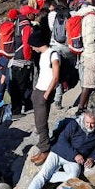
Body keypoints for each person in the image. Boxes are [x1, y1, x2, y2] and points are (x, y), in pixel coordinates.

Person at [17, 109, 95, 189]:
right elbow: (62, 140)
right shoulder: (74, 124)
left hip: (74, 161)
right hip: (59, 153)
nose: (89, 126)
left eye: (92, 123)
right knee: (42, 175)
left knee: (73, 178)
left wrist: (93, 159)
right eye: (87, 122)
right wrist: (75, 154)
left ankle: (48, 177)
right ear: (84, 119)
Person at [29, 30, 62, 166]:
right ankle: (43, 147)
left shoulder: (53, 55)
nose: (32, 48)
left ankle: (45, 150)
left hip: (45, 92)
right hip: (39, 90)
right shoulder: (43, 54)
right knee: (38, 122)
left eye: (32, 45)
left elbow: (55, 76)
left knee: (41, 123)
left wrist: (47, 93)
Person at [9, 6, 39, 116]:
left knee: (17, 86)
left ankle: (16, 109)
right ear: (27, 15)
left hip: (15, 60)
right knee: (23, 86)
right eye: (33, 13)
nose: (35, 15)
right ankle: (17, 111)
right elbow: (26, 44)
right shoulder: (26, 26)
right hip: (23, 62)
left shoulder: (17, 23)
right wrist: (28, 58)